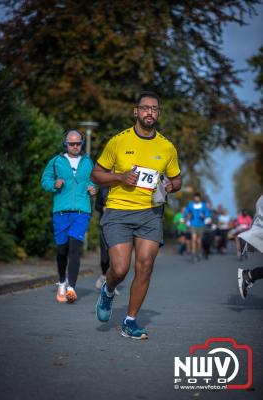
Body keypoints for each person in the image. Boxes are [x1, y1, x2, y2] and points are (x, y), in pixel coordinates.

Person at [91, 91, 182, 339]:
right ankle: (108, 291)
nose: (149, 112)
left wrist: (172, 186)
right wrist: (119, 176)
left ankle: (130, 321)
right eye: (145, 108)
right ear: (136, 111)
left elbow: (177, 179)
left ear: (158, 114)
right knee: (120, 269)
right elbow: (96, 175)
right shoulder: (118, 142)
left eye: (154, 109)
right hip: (118, 211)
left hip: (150, 213)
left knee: (145, 266)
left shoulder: (166, 147)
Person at [41, 130, 97, 303]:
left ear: (82, 143)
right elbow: (45, 180)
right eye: (71, 143)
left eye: (78, 143)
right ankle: (62, 282)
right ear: (65, 144)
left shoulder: (88, 162)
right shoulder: (56, 161)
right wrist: (53, 185)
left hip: (81, 211)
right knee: (62, 250)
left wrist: (93, 188)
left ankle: (71, 287)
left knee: (74, 247)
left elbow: (95, 180)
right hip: (61, 211)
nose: (75, 146)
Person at [94, 187, 119, 295]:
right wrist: (102, 208)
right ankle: (103, 275)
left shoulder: (121, 188)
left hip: (119, 226)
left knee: (115, 256)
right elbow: (96, 206)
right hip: (105, 224)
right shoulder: (103, 189)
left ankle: (111, 284)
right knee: (105, 258)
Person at [237, 195, 263, 299]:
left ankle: (250, 275)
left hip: (249, 231)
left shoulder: (247, 217)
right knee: (237, 237)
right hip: (243, 232)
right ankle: (250, 275)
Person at [183, 193, 210, 262]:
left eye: (197, 197)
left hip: (201, 225)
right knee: (194, 239)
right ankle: (193, 253)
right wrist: (188, 215)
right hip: (193, 224)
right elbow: (186, 211)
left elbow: (207, 213)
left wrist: (204, 216)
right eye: (195, 197)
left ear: (200, 198)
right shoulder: (191, 204)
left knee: (199, 241)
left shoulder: (203, 205)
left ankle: (199, 252)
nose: (196, 199)